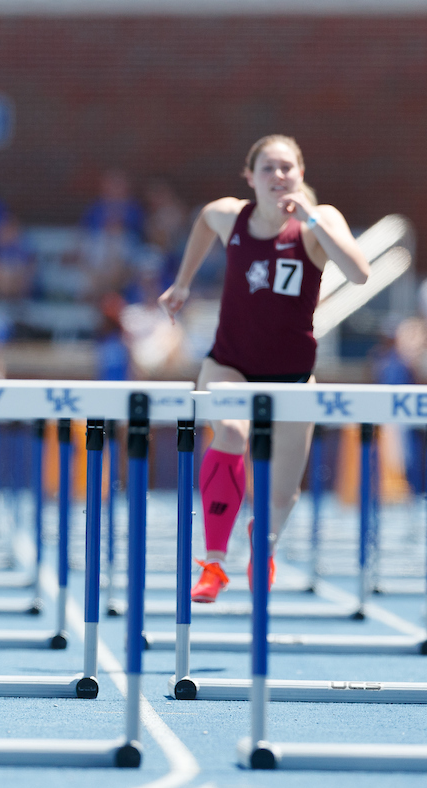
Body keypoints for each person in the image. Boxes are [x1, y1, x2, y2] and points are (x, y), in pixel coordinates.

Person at [158, 134, 370, 602]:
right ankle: (213, 563)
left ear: (300, 174)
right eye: (269, 168)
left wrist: (311, 216)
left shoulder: (320, 222)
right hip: (228, 363)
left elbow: (359, 273)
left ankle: (264, 543)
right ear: (250, 176)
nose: (279, 176)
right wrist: (182, 283)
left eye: (287, 168)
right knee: (230, 433)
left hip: (292, 376)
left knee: (282, 495)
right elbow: (202, 224)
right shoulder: (230, 214)